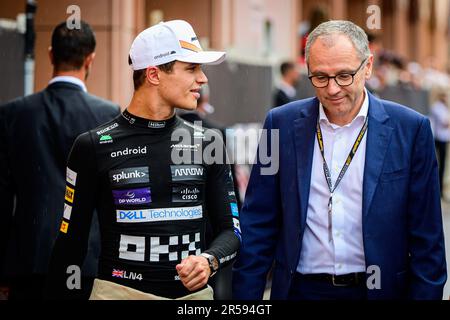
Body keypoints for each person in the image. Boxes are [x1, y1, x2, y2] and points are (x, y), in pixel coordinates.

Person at [233, 20, 446, 300]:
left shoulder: (411, 129)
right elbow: (258, 225)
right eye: (320, 77)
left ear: (367, 66)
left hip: (378, 291)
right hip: (301, 291)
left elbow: (427, 241)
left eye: (344, 76)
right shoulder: (279, 125)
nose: (332, 89)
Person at [46, 19, 240, 300]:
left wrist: (210, 260)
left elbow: (232, 231)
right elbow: (70, 244)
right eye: (191, 68)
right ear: (153, 74)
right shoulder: (92, 146)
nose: (203, 78)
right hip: (117, 293)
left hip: (192, 298)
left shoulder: (209, 142)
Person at [0, 20, 120, 300]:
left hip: (29, 260)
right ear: (90, 59)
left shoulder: (14, 114)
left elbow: (2, 199)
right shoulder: (107, 115)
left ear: (51, 54)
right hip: (87, 261)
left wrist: (4, 268)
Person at [430, 91, 450, 196]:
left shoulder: (444, 108)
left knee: (443, 165)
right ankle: (437, 189)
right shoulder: (437, 107)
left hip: (444, 138)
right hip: (439, 138)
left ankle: (441, 189)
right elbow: (445, 122)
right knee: (437, 164)